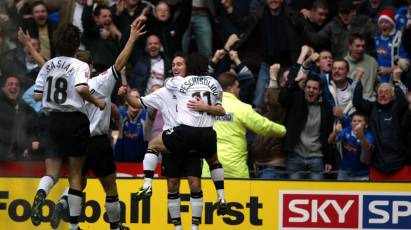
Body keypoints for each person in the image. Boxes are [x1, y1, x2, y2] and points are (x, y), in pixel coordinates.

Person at [49, 21, 145, 230]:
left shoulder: (67, 86)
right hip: (99, 142)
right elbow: (119, 64)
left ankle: (63, 203)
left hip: (78, 140)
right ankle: (115, 226)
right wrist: (131, 39)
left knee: (78, 183)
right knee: (110, 186)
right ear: (89, 67)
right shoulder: (100, 82)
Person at [126, 53, 228, 216]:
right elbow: (221, 110)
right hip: (206, 134)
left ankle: (147, 185)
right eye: (173, 65)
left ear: (188, 67)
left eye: (179, 64)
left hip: (183, 134)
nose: (175, 68)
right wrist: (205, 107)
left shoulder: (176, 83)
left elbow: (169, 84)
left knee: (153, 145)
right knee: (212, 162)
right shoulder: (214, 83)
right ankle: (221, 197)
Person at [30, 24, 105, 229]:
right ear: (76, 44)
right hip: (73, 121)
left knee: (51, 173)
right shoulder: (80, 65)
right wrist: (96, 101)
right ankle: (73, 226)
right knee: (75, 176)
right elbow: (81, 88)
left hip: (51, 120)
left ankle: (41, 194)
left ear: (57, 43)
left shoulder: (49, 65)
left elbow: (37, 95)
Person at [202, 71, 286, 178]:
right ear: (230, 88)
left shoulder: (206, 107)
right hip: (235, 170)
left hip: (209, 169)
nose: (239, 89)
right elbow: (264, 126)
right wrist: (283, 131)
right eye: (237, 87)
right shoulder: (242, 108)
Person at [279, 57, 335, 179]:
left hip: (317, 157)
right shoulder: (297, 100)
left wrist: (329, 160)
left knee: (317, 195)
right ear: (304, 89)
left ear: (320, 92)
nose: (311, 90)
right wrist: (294, 81)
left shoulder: (326, 108)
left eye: (315, 88)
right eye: (308, 87)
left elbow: (328, 135)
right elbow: (283, 98)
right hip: (295, 156)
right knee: (292, 194)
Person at [353, 68, 410, 180]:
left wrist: (396, 81)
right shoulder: (372, 107)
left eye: (386, 92)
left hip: (400, 164)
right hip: (378, 164)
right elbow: (357, 103)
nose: (383, 95)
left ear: (393, 96)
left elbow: (403, 102)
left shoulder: (397, 107)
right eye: (380, 92)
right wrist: (358, 79)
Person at [0, 75, 38, 161]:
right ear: (3, 88)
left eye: (16, 85)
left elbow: (35, 127)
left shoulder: (26, 109)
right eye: (10, 84)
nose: (14, 86)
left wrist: (33, 141)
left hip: (21, 154)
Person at [328, 112, 375, 180]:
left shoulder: (368, 135)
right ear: (351, 123)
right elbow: (330, 141)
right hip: (344, 171)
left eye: (360, 121)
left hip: (361, 174)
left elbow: (367, 148)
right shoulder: (347, 130)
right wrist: (335, 131)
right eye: (354, 121)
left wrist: (361, 136)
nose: (356, 123)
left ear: (366, 125)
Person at [344, 33, 378, 101]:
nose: (361, 49)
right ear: (350, 46)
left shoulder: (372, 61)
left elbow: (376, 82)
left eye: (363, 46)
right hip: (350, 101)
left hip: (369, 100)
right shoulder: (344, 63)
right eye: (357, 46)